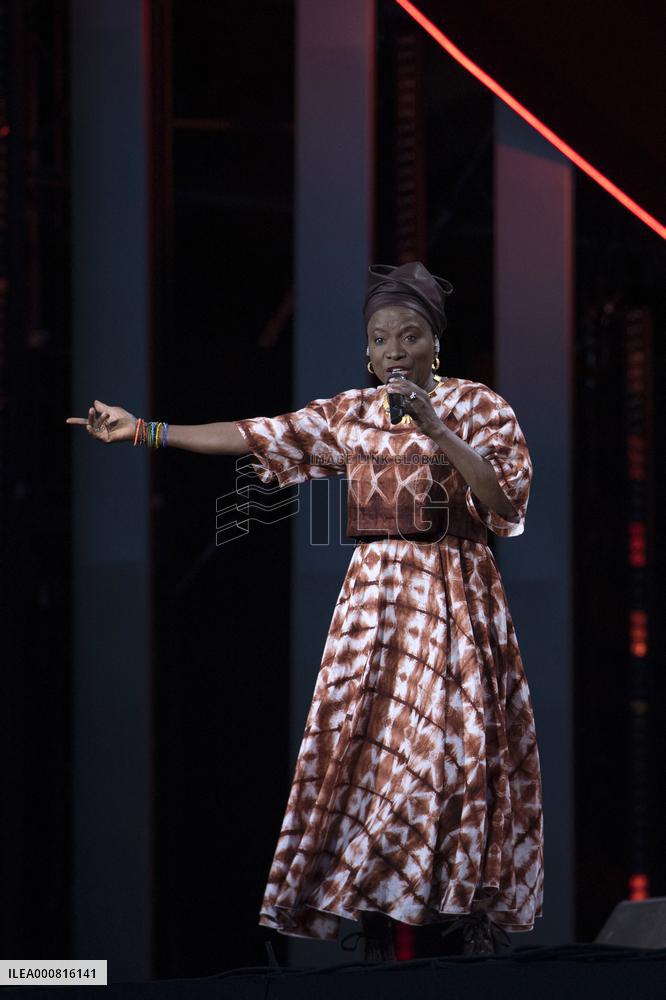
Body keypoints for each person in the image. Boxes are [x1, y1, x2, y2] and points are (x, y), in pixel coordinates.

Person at [66, 261, 544, 961]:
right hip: (375, 602)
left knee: (452, 753)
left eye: (410, 336)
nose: (395, 351)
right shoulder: (351, 414)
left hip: (451, 590)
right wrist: (142, 431)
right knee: (367, 756)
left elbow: (505, 503)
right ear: (368, 351)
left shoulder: (478, 406)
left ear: (434, 345)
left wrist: (437, 428)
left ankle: (466, 920)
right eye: (381, 340)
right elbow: (256, 434)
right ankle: (377, 918)